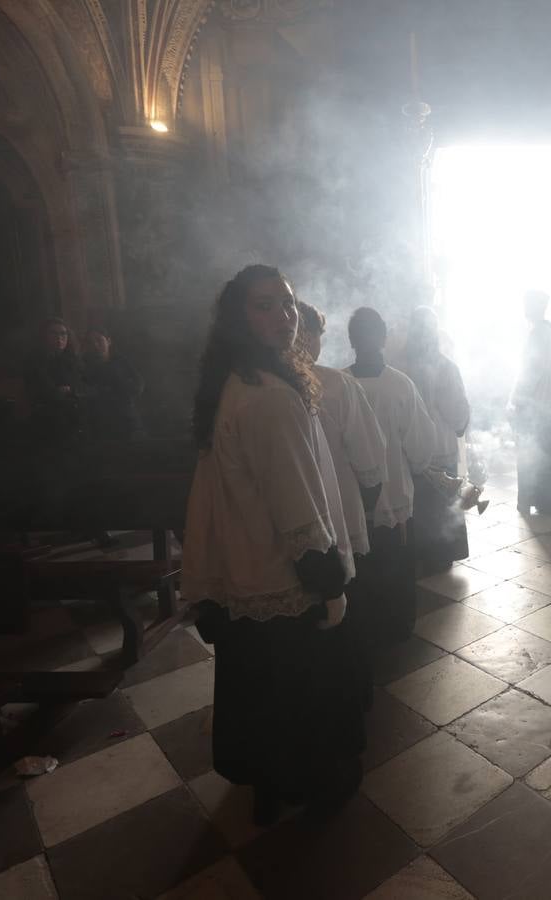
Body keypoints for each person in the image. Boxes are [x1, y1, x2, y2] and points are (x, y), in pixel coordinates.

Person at [181, 264, 362, 823]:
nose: (283, 316)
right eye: (264, 306)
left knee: (260, 691)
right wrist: (328, 585)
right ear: (238, 317)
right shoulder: (268, 398)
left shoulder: (237, 380)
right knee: (298, 697)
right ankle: (306, 791)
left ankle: (266, 787)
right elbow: (298, 506)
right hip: (283, 577)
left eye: (286, 303)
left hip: (245, 570)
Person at [347, 307, 437, 642]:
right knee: (396, 568)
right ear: (384, 338)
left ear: (351, 340)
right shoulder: (400, 385)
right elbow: (421, 446)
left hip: (353, 502)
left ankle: (362, 626)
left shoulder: (337, 385)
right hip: (394, 497)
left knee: (361, 570)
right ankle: (398, 627)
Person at [296, 301, 388, 559]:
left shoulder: (258, 385)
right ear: (309, 336)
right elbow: (368, 454)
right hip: (336, 506)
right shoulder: (337, 384)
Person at [400, 305, 471, 572]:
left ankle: (420, 553)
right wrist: (462, 425)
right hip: (440, 446)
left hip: (410, 449)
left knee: (420, 503)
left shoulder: (399, 366)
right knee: (441, 502)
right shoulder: (445, 367)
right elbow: (457, 410)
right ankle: (442, 554)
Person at [511, 291, 551, 516]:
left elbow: (529, 373)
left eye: (528, 303)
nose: (525, 307)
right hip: (548, 407)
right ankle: (548, 499)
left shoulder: (537, 333)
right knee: (548, 454)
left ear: (537, 306)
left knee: (531, 454)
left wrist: (516, 399)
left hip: (534, 407)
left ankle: (533, 498)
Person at [24, 317, 84, 444]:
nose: (60, 338)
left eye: (63, 333)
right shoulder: (35, 361)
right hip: (48, 417)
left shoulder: (73, 360)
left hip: (77, 412)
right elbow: (46, 389)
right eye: (54, 333)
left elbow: (82, 385)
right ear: (44, 336)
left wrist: (72, 390)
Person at [82, 328, 145, 439]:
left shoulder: (121, 361)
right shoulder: (83, 364)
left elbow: (138, 386)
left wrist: (117, 384)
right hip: (98, 422)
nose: (95, 345)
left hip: (126, 419)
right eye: (91, 342)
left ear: (109, 341)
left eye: (99, 340)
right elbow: (88, 392)